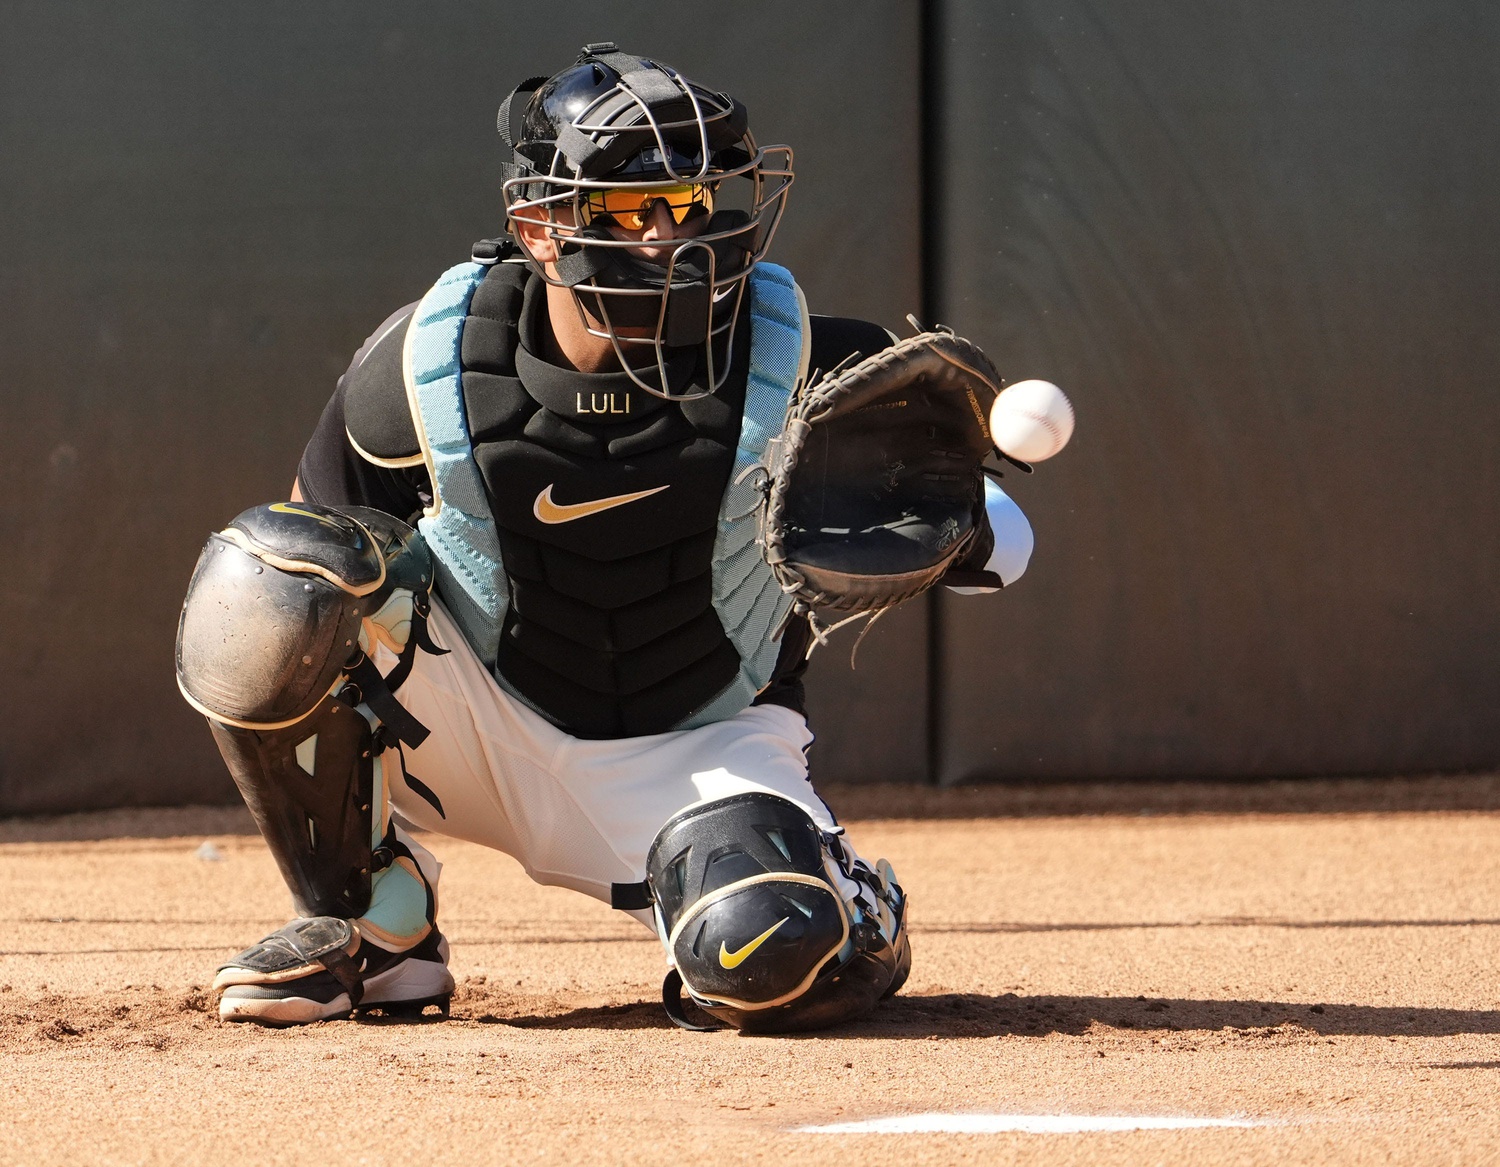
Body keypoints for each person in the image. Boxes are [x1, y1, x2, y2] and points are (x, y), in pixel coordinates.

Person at [175, 44, 1034, 1032]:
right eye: (635, 211)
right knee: (268, 576)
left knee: (769, 958)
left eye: (699, 201)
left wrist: (956, 529)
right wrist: (373, 604)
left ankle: (853, 907)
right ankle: (372, 922)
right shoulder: (430, 364)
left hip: (695, 746)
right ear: (541, 227)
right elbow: (307, 558)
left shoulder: (819, 365)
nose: (682, 238)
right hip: (477, 722)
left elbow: (1002, 549)